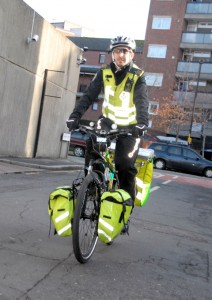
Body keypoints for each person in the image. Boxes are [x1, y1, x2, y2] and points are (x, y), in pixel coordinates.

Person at [67, 35, 149, 211]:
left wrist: (142, 123)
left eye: (125, 51)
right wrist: (75, 116)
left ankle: (126, 201)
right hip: (108, 122)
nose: (121, 55)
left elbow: (142, 102)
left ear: (132, 54)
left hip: (130, 127)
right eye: (117, 51)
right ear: (112, 54)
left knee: (124, 164)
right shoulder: (104, 73)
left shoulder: (137, 76)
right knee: (92, 148)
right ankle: (91, 184)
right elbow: (88, 96)